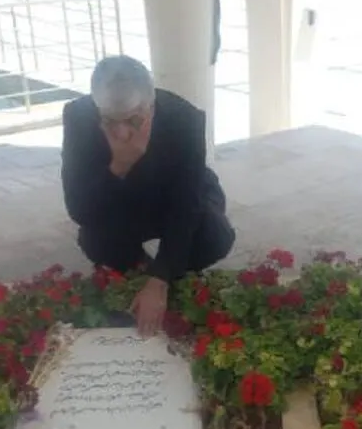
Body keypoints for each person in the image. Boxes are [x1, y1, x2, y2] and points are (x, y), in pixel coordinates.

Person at [61, 56, 235, 337]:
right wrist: (119, 166)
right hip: (123, 199)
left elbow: (185, 206)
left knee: (214, 236)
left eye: (133, 120)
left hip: (173, 195)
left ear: (150, 107)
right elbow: (80, 209)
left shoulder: (184, 118)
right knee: (95, 239)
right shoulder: (78, 117)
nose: (122, 134)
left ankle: (167, 274)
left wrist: (160, 279)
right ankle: (141, 268)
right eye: (109, 121)